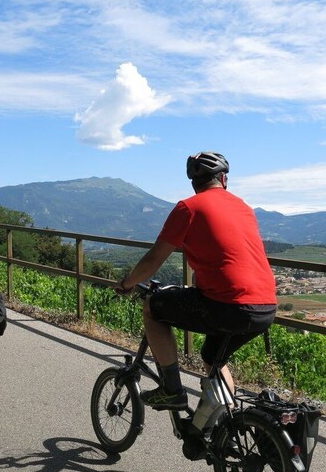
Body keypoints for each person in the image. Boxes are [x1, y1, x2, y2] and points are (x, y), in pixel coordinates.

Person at [115, 152, 277, 410]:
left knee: (152, 307)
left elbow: (153, 259)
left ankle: (172, 390)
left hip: (228, 305)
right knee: (213, 358)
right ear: (224, 179)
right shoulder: (244, 208)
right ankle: (225, 423)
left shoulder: (188, 208)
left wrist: (127, 283)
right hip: (266, 306)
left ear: (193, 183)